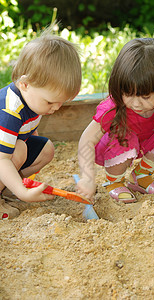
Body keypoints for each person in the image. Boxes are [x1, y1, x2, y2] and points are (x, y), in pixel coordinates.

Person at [77, 38, 154, 203]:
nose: (135, 103)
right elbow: (86, 140)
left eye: (145, 97)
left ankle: (141, 176)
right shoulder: (112, 109)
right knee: (125, 137)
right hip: (116, 146)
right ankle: (114, 182)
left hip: (145, 143)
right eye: (128, 94)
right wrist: (87, 177)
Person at [0, 27, 82, 219]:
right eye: (50, 102)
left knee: (45, 148)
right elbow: (2, 160)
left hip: (7, 153)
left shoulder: (34, 99)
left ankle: (9, 187)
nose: (56, 108)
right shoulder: (9, 111)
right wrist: (23, 193)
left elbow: (29, 131)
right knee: (18, 150)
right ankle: (11, 190)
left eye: (61, 102)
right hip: (1, 157)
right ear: (25, 84)